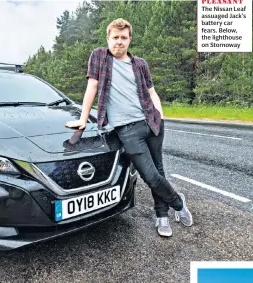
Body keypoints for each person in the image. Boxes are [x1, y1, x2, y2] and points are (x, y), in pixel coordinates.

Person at [65, 18, 193, 237]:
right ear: (108, 38)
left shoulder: (140, 64)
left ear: (130, 40)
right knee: (151, 176)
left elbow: (151, 92)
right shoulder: (99, 56)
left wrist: (160, 114)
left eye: (124, 38)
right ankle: (179, 203)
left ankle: (161, 215)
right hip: (127, 129)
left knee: (159, 170)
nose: (119, 42)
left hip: (152, 123)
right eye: (115, 37)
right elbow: (92, 87)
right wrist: (83, 118)